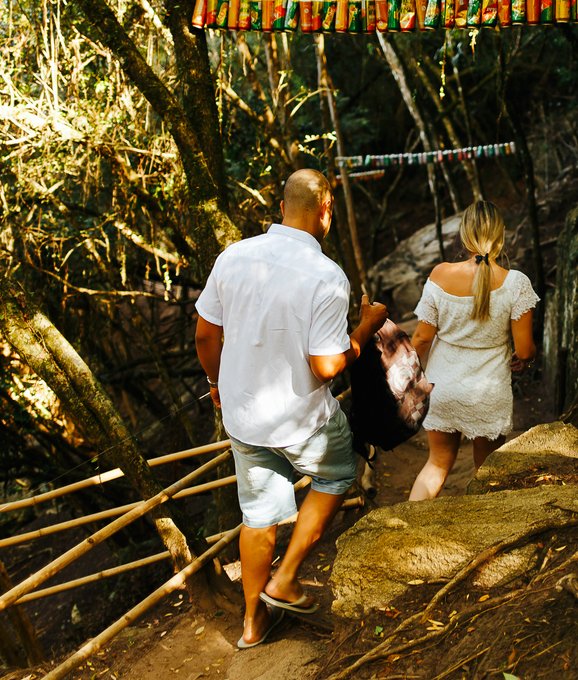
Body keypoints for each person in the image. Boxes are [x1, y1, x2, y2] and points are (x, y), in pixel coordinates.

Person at [195, 168, 387, 649]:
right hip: (301, 421)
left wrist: (217, 384)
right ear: (326, 213)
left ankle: (252, 624)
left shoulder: (233, 257)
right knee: (337, 476)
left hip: (243, 417)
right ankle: (286, 579)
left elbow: (204, 335)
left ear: (281, 208)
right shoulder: (326, 275)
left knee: (258, 518)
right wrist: (363, 330)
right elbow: (326, 367)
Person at [408, 200, 539, 501]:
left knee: (437, 463)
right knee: (486, 472)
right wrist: (520, 357)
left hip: (442, 388)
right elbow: (526, 350)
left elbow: (421, 339)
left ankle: (406, 526)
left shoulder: (439, 275)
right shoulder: (516, 284)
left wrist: (405, 380)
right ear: (502, 234)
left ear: (463, 234)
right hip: (488, 392)